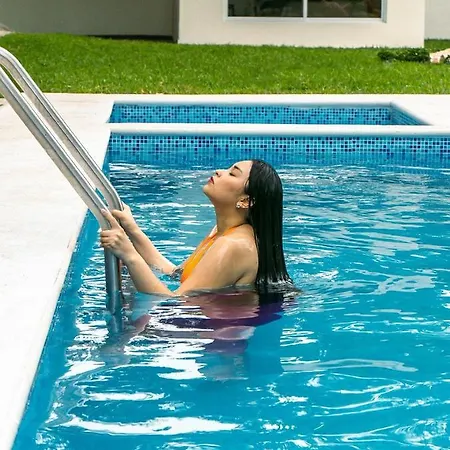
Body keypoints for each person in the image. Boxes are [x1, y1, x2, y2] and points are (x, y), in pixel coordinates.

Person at [100, 159, 293, 296]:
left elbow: (174, 304)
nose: (219, 171)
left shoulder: (234, 244)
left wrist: (130, 255)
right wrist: (131, 229)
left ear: (246, 201)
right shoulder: (220, 232)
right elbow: (174, 273)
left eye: (232, 173)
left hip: (214, 334)